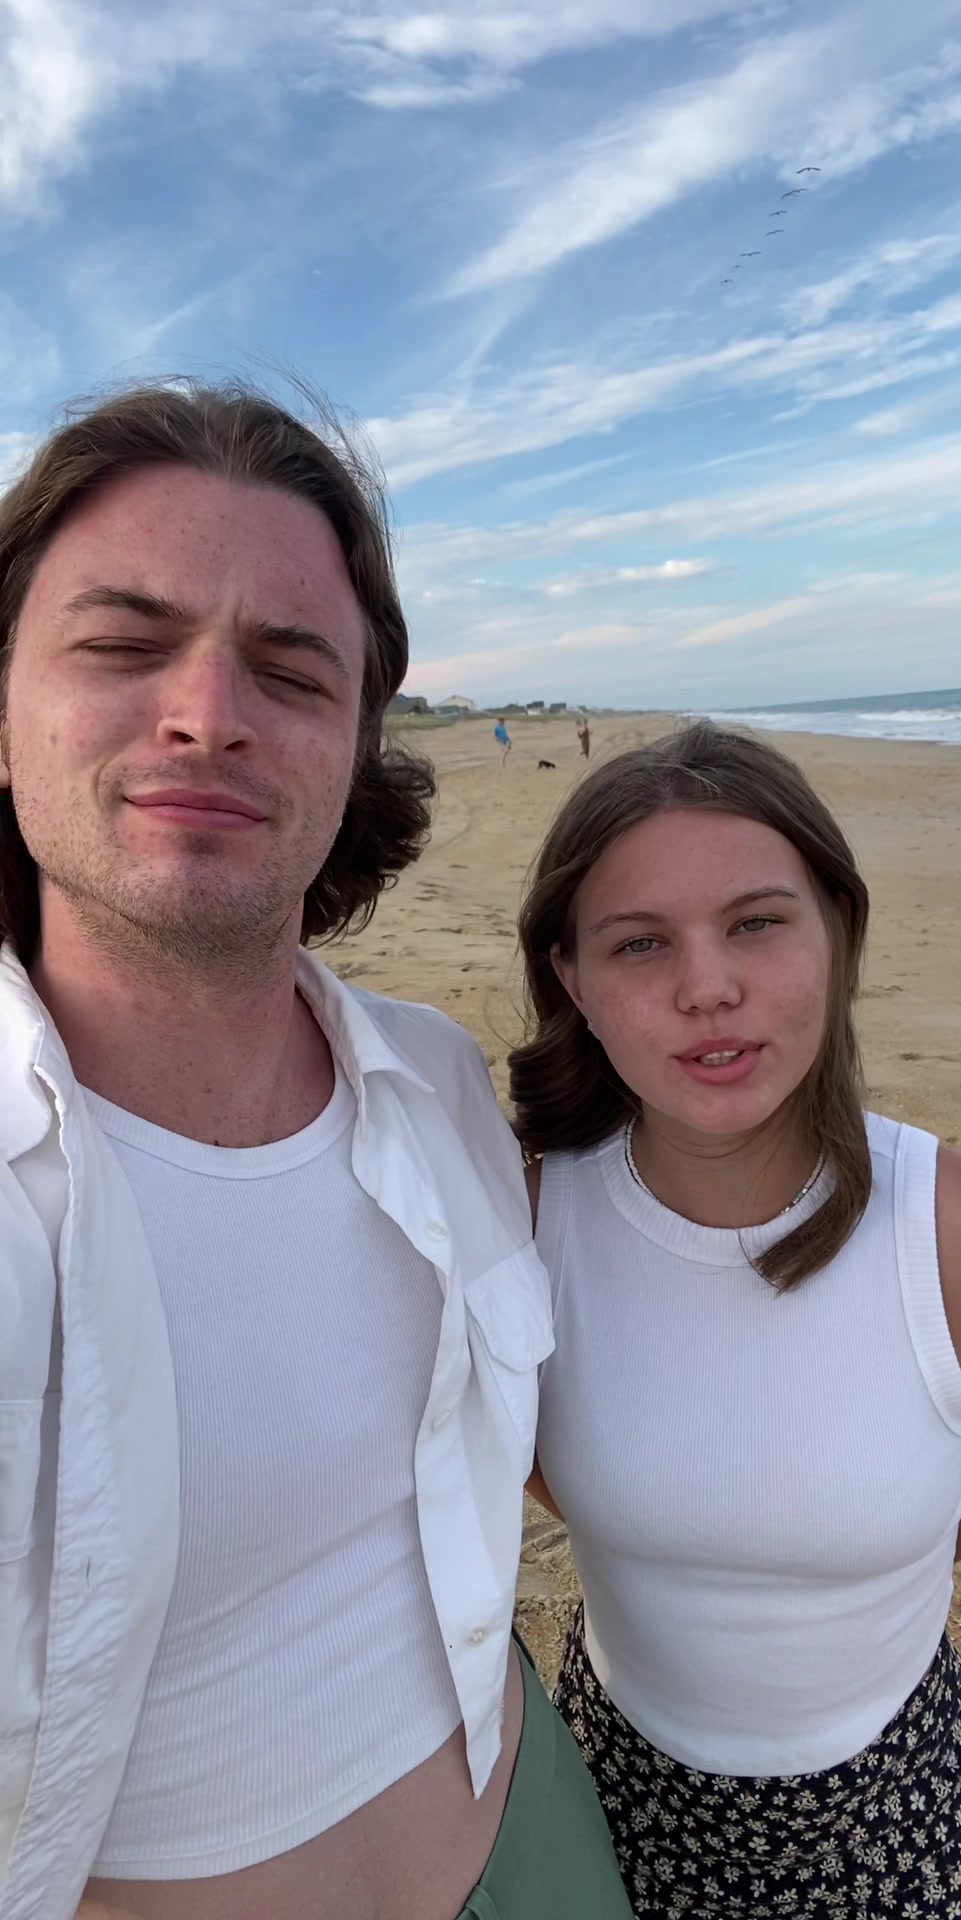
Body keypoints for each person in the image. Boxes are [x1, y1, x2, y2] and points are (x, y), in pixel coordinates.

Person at [0, 380, 632, 1920]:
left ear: (355, 749)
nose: (208, 710)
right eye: (124, 645)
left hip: (534, 1831)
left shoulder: (436, 1079)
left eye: (291, 669)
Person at [509, 722, 961, 1920]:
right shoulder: (523, 1220)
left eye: (757, 923)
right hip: (617, 1783)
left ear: (839, 930)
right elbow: (518, 1447)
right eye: (640, 942)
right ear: (571, 978)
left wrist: (884, 1552)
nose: (707, 987)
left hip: (892, 1803)